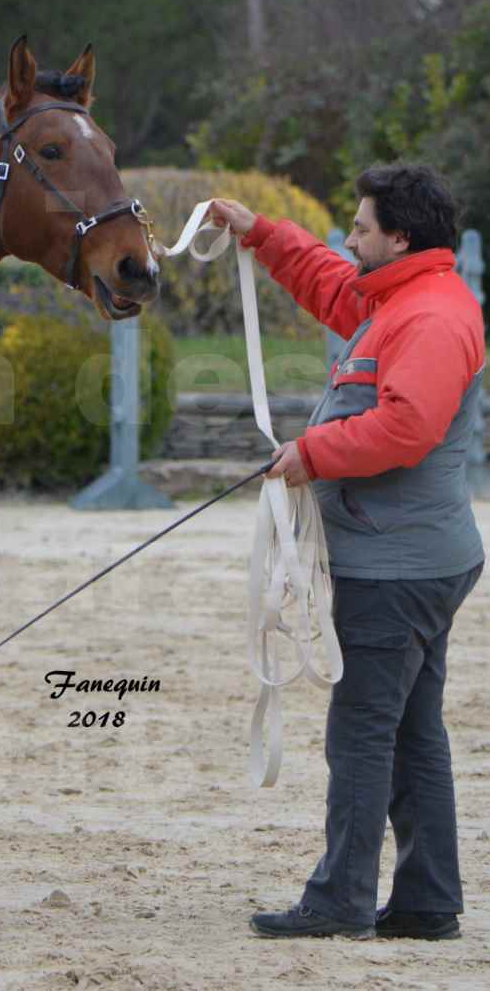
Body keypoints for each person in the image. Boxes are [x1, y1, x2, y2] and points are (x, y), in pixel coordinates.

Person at [205, 165, 483, 941]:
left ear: (397, 237)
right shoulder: (397, 295)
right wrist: (259, 233)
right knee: (409, 730)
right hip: (412, 557)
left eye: (359, 227)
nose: (349, 239)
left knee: (361, 731)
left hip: (396, 568)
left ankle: (340, 899)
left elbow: (404, 428)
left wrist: (311, 455)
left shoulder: (427, 317)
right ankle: (426, 901)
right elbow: (328, 283)